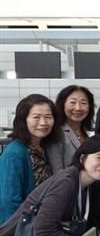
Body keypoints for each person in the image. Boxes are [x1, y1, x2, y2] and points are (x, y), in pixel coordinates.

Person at [0, 94, 59, 223]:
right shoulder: (15, 153)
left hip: (42, 224)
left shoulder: (45, 147)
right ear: (23, 120)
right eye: (36, 117)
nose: (43, 122)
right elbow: (9, 202)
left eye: (48, 117)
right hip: (22, 229)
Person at [47, 85, 95, 173]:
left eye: (83, 103)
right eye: (72, 102)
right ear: (63, 104)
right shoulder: (57, 133)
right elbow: (57, 172)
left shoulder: (88, 135)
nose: (78, 108)